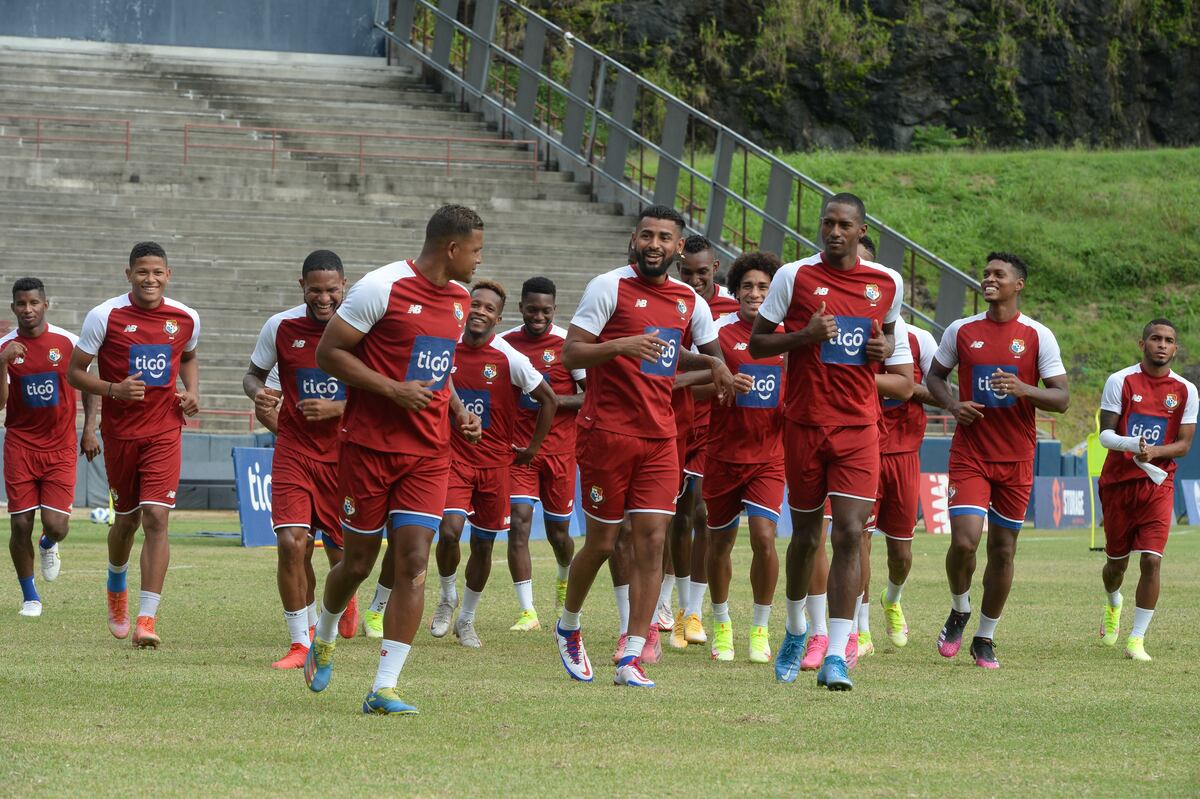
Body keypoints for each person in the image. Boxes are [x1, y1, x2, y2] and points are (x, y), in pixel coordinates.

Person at [303, 204, 482, 715]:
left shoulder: (461, 300)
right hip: (369, 449)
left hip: (429, 454)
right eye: (476, 250)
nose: (479, 260)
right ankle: (326, 632)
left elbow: (437, 371)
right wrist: (391, 391)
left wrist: (461, 410)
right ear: (452, 248)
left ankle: (384, 686)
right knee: (357, 562)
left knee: (414, 564)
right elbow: (329, 353)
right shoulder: (381, 287)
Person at [552, 204, 735, 688]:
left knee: (654, 540)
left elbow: (709, 353)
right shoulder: (608, 286)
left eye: (665, 238)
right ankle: (568, 626)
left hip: (660, 439)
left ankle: (633, 652)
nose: (655, 244)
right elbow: (571, 352)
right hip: (607, 435)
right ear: (635, 239)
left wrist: (716, 367)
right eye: (648, 236)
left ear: (679, 247)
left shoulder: (688, 301)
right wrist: (619, 346)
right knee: (605, 542)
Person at [750, 193, 909, 690]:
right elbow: (758, 343)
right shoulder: (794, 277)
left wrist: (882, 347)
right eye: (827, 224)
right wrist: (804, 336)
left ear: (862, 231)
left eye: (844, 225)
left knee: (848, 533)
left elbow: (888, 343)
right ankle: (797, 629)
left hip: (859, 426)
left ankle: (837, 652)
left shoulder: (887, 282)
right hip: (804, 423)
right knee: (805, 538)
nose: (834, 232)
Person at [926, 252, 1069, 669]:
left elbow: (1061, 398)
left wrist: (1025, 389)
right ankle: (959, 608)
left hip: (1017, 458)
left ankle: (985, 637)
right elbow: (934, 377)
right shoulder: (962, 330)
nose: (988, 279)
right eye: (985, 274)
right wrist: (954, 406)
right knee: (965, 541)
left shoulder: (1038, 335)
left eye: (998, 275)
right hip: (971, 453)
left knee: (1003, 552)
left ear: (1017, 284)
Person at [67, 241, 200, 648]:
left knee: (157, 518)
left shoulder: (186, 318)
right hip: (121, 436)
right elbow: (75, 372)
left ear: (168, 275)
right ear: (129, 275)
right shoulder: (104, 316)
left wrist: (191, 391)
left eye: (157, 272)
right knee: (126, 521)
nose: (150, 279)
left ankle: (147, 617)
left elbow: (189, 357)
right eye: (142, 272)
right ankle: (116, 584)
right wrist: (113, 390)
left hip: (164, 432)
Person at [430, 280, 556, 647]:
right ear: (464, 308)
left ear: (499, 317)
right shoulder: (445, 348)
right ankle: (447, 597)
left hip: (495, 466)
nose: (480, 311)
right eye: (475, 304)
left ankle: (466, 619)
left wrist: (533, 449)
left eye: (488, 308)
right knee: (450, 531)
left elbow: (548, 400)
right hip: (452, 460)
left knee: (483, 545)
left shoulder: (510, 358)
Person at [244, 250, 351, 669]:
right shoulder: (281, 326)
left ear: (345, 286)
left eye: (331, 290)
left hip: (346, 456)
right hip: (294, 450)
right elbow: (252, 373)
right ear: (301, 286)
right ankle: (299, 642)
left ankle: (345, 599)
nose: (323, 299)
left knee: (343, 556)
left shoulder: (363, 329)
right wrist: (258, 392)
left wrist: (338, 409)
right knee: (293, 544)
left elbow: (383, 391)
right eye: (315, 290)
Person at [1097, 319, 1196, 662]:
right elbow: (1105, 435)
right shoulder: (1120, 381)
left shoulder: (1185, 390)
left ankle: (1137, 639)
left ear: (1175, 348)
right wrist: (1131, 444)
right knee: (1116, 566)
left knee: (1152, 561)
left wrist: (1153, 452)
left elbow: (1183, 445)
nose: (1162, 344)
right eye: (1156, 338)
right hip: (1118, 484)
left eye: (1169, 340)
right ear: (1143, 343)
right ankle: (1113, 603)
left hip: (1158, 482)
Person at [702, 252, 785, 663]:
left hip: (770, 456)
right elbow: (685, 386)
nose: (755, 293)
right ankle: (721, 624)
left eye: (763, 287)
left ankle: (759, 628)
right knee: (718, 543)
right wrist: (722, 382)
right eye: (748, 286)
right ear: (734, 291)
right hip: (722, 454)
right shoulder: (717, 333)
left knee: (764, 538)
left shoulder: (788, 336)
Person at [1, 278, 100, 617]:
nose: (27, 310)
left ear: (46, 304)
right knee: (20, 524)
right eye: (20, 304)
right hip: (20, 446)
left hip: (60, 447)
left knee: (56, 526)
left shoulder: (68, 342)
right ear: (13, 307)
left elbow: (88, 385)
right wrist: (2, 363)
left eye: (33, 303)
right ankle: (30, 597)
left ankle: (49, 544)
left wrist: (90, 430)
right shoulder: (4, 347)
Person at [661, 235, 740, 644]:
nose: (694, 280)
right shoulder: (669, 302)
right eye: (687, 272)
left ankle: (692, 612)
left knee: (702, 513)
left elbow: (726, 374)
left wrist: (686, 382)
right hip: (670, 419)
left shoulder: (731, 310)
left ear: (716, 267)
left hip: (714, 426)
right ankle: (665, 599)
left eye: (702, 272)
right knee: (671, 514)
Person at [499, 276, 585, 629]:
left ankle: (565, 577)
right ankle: (527, 611)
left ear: (554, 309)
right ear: (520, 308)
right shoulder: (505, 345)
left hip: (561, 452)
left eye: (545, 311)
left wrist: (551, 400)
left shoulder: (568, 345)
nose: (538, 316)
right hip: (520, 453)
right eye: (531, 309)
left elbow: (590, 396)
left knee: (558, 534)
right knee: (518, 523)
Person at [873, 314, 939, 652]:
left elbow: (941, 392)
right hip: (861, 449)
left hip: (903, 453)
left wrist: (904, 386)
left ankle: (892, 598)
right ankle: (857, 629)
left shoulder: (918, 338)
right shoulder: (844, 334)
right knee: (856, 542)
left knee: (900, 553)